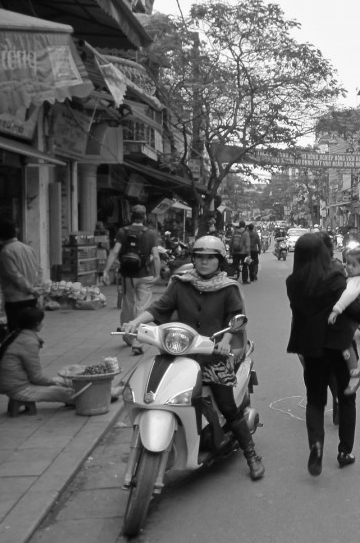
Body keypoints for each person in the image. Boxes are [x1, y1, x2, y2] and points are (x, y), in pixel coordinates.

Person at [122, 235, 264, 481]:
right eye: (199, 257)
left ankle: (251, 454)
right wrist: (135, 322)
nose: (204, 262)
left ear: (219, 260)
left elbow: (235, 321)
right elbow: (159, 308)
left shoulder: (228, 288)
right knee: (157, 392)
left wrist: (224, 343)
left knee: (228, 406)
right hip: (179, 354)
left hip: (213, 357)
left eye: (210, 258)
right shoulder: (180, 284)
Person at [287, 233, 360, 476]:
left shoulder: (293, 282)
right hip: (339, 346)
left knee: (315, 400)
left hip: (311, 349)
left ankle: (316, 444)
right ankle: (345, 451)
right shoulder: (335, 279)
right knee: (347, 399)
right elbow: (355, 310)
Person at [102, 205, 160, 355]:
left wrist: (105, 271)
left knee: (128, 305)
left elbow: (115, 252)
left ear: (131, 217)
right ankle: (138, 342)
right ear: (145, 217)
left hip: (128, 275)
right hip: (145, 275)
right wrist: (158, 274)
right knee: (142, 308)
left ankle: (128, 336)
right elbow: (157, 256)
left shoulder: (123, 232)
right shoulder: (151, 234)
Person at [0, 307, 73, 406]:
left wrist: (58, 382)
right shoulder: (28, 342)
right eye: (41, 321)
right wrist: (53, 383)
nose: (43, 323)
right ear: (36, 324)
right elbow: (36, 377)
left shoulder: (16, 334)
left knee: (68, 382)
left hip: (14, 382)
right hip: (18, 388)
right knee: (74, 394)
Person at [327, 246, 360, 395]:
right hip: (352, 315)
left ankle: (355, 374)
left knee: (344, 342)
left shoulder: (358, 281)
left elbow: (349, 294)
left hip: (350, 316)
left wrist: (336, 310)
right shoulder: (353, 277)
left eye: (354, 265)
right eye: (347, 263)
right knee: (344, 343)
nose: (349, 267)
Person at [0, 218, 42, 332]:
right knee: (29, 330)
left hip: (16, 300)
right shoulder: (28, 248)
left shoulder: (6, 251)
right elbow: (39, 270)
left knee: (16, 332)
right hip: (31, 298)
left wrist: (31, 289)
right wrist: (36, 288)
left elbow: (15, 276)